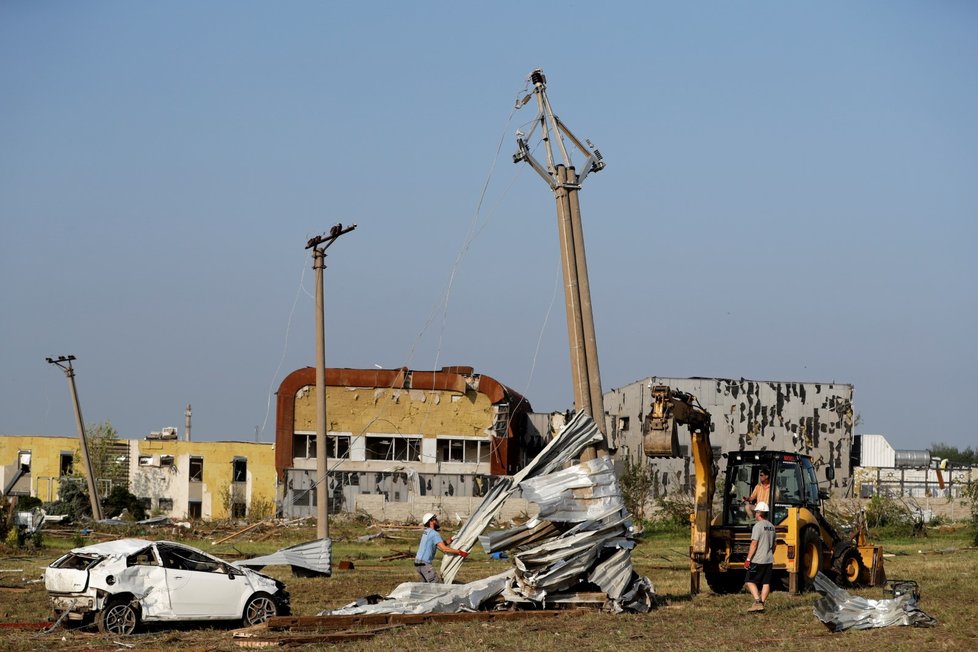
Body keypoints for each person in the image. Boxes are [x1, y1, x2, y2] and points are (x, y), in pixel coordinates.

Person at [414, 512, 469, 583]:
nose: (437, 521)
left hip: (417, 564)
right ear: (431, 521)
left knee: (425, 587)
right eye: (435, 519)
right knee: (436, 585)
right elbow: (444, 549)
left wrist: (452, 539)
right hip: (425, 565)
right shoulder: (434, 534)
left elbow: (441, 544)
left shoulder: (426, 532)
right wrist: (460, 552)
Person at [744, 501, 776, 612]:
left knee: (749, 581)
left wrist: (748, 559)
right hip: (768, 559)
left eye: (756, 512)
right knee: (766, 582)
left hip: (758, 560)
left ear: (759, 513)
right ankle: (762, 604)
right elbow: (774, 545)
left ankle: (757, 601)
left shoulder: (757, 526)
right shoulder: (772, 527)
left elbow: (754, 543)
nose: (755, 514)